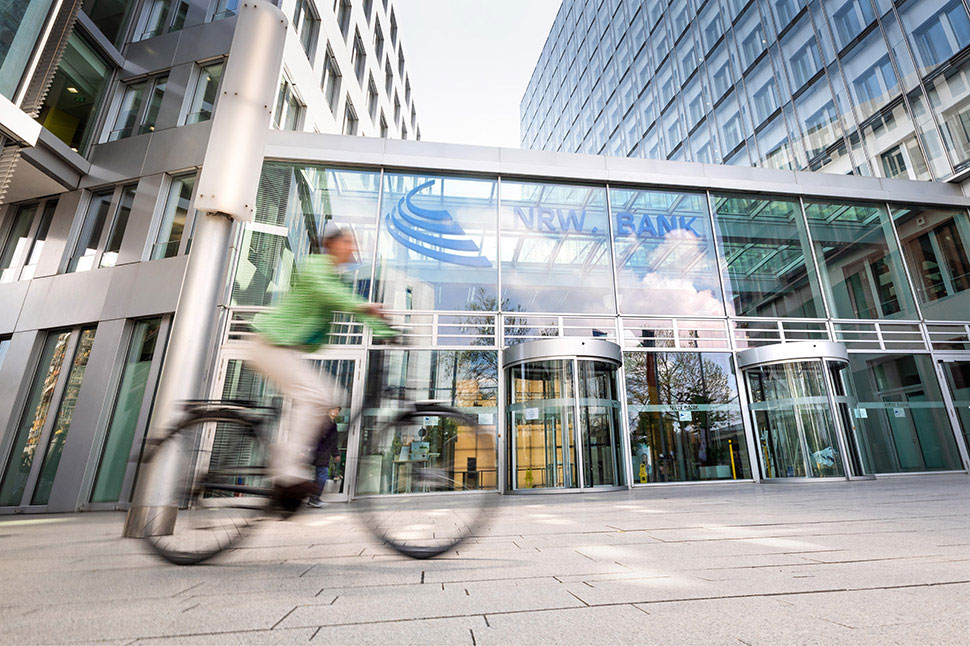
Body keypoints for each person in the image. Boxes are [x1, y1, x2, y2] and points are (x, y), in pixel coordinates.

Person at [245, 227, 394, 513]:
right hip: (269, 344)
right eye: (349, 242)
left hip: (282, 349)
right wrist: (367, 307)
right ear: (332, 245)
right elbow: (339, 298)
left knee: (327, 394)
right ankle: (286, 471)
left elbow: (351, 306)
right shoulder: (316, 267)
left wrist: (388, 330)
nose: (354, 249)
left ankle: (287, 467)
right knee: (316, 395)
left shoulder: (337, 278)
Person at [307, 407, 341, 508]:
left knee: (319, 477)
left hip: (324, 454)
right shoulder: (324, 421)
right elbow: (314, 437)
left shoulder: (333, 424)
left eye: (338, 410)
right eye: (334, 409)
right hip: (320, 453)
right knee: (323, 475)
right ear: (329, 410)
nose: (336, 411)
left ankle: (314, 498)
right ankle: (314, 498)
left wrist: (336, 454)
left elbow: (333, 442)